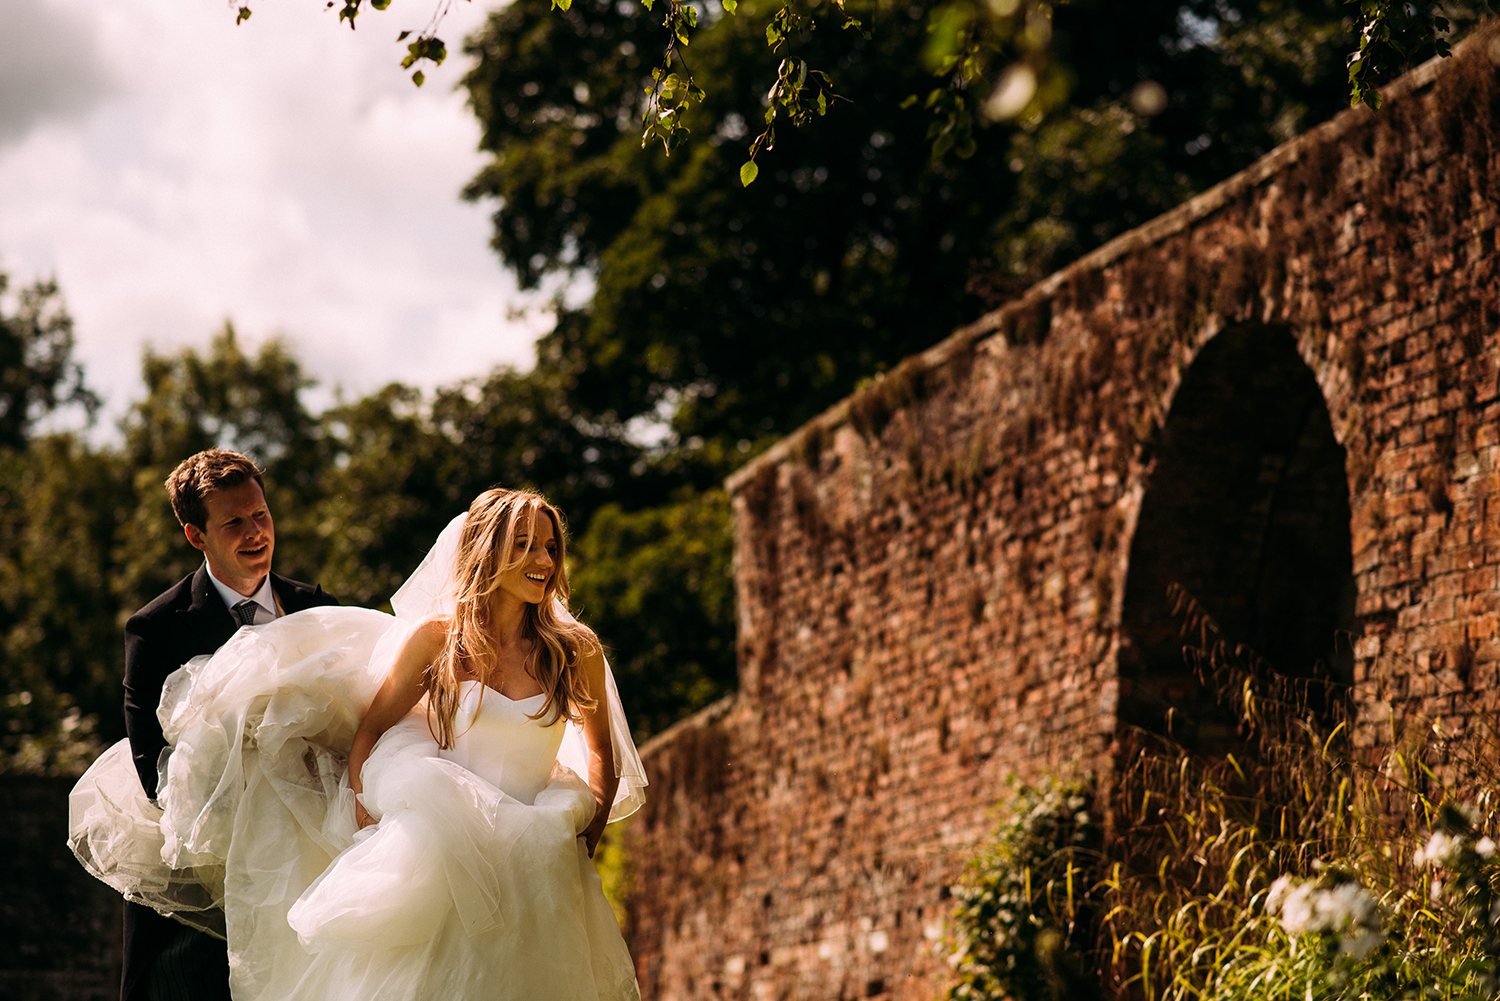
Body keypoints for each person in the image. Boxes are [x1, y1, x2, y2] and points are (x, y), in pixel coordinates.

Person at [70, 486, 645, 1001]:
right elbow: (369, 727)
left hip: (542, 847)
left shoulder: (574, 650)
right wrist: (366, 805)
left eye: (550, 547)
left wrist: (586, 828)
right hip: (445, 846)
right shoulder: (437, 642)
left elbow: (601, 752)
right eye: (526, 545)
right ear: (489, 551)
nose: (544, 561)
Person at [117, 449, 340, 1001]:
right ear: (196, 535)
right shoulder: (156, 630)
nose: (255, 532)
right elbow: (153, 771)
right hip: (202, 905)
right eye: (234, 522)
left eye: (260, 515)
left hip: (309, 885)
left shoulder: (319, 610)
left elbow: (352, 733)